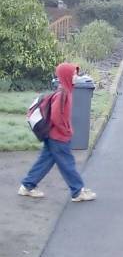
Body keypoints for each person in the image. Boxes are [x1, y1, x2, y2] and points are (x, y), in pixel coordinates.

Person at [18, 63, 96, 202]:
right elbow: (56, 116)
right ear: (66, 76)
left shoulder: (65, 91)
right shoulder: (63, 94)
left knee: (45, 161)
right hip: (58, 137)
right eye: (73, 74)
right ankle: (78, 191)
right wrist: (66, 131)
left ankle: (27, 186)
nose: (76, 77)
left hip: (52, 136)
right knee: (67, 164)